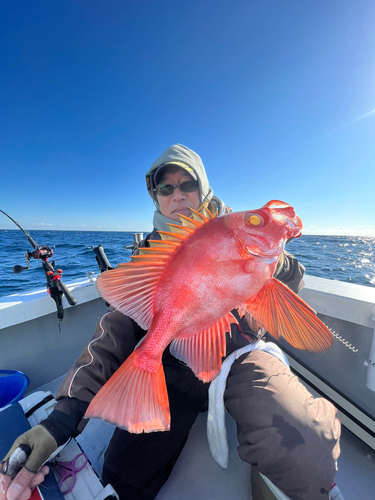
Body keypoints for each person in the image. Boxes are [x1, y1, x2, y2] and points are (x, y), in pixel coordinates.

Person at [1, 144, 341, 500]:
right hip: (173, 370)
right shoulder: (150, 253)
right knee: (122, 475)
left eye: (187, 184)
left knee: (306, 448)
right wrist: (63, 416)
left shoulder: (235, 230)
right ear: (156, 198)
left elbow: (288, 286)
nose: (177, 195)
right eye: (165, 188)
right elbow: (114, 331)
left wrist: (276, 261)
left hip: (239, 361)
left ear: (203, 188)